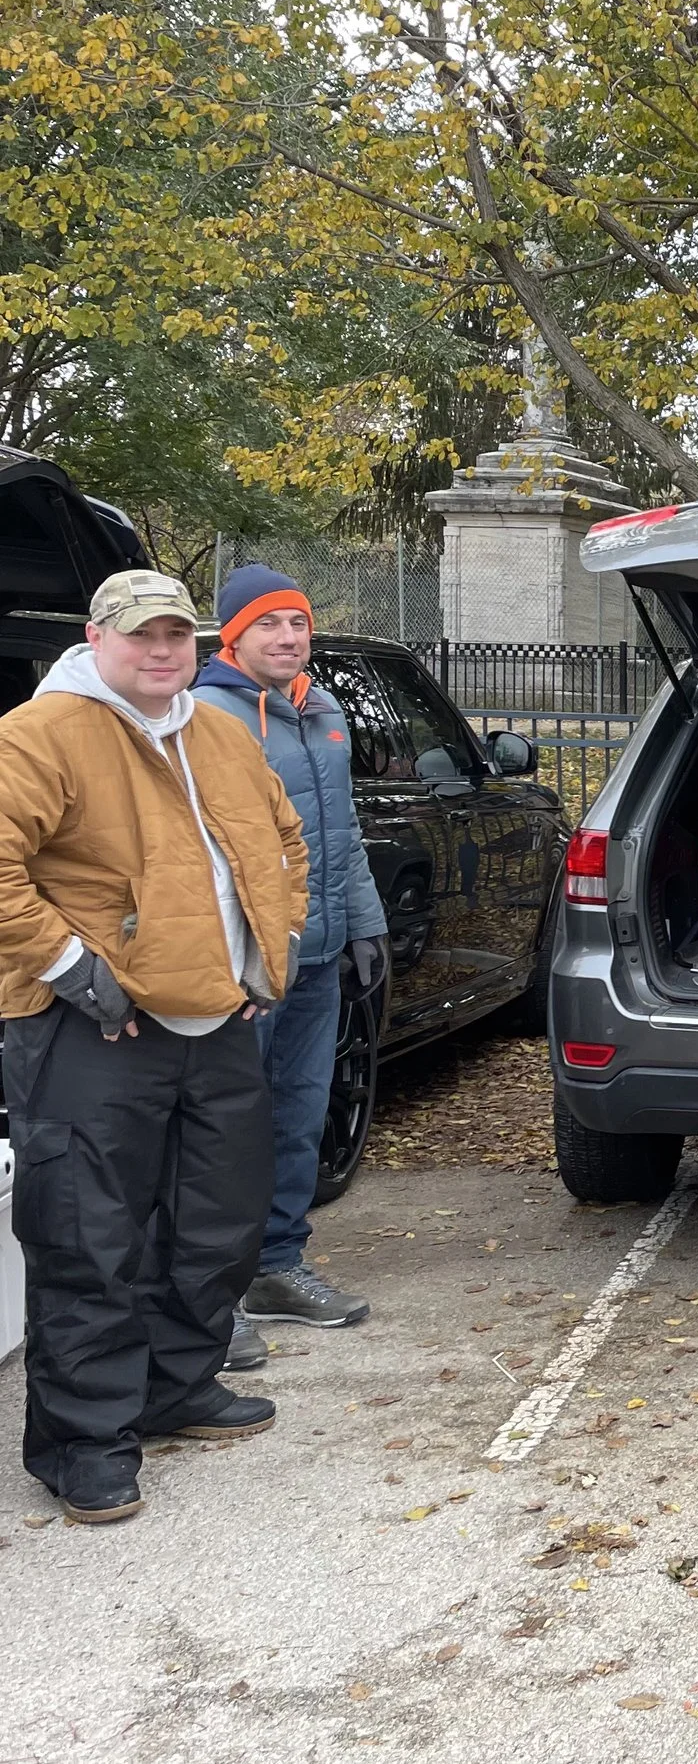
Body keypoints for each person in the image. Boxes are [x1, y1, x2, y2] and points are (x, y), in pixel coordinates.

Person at [0, 570, 308, 1523]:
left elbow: (283, 845)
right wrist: (66, 964)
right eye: (142, 635)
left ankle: (177, 1387)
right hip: (88, 1022)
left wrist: (270, 953)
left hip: (215, 1018)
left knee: (217, 1221)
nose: (163, 650)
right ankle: (84, 1441)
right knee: (88, 1236)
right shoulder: (40, 733)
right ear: (98, 637)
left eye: (179, 633)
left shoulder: (216, 731)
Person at [194, 566, 390, 1368]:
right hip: (245, 963)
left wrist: (363, 925)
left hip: (317, 954)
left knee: (299, 1116)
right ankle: (209, 1295)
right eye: (269, 624)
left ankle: (276, 1266)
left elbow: (339, 833)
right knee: (223, 1131)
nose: (286, 637)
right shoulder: (206, 714)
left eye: (297, 624)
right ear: (232, 635)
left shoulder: (324, 710)